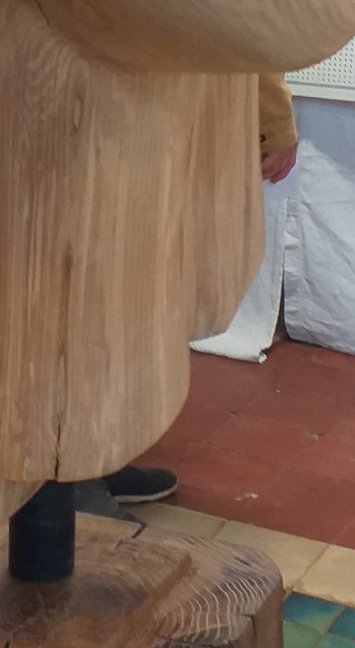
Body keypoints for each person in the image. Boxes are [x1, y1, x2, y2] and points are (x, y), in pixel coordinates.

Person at [75, 72, 299, 517]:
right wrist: (272, 119)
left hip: (137, 108)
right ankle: (64, 476)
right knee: (86, 293)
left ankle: (92, 457)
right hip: (107, 104)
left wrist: (269, 117)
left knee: (121, 296)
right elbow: (243, 31)